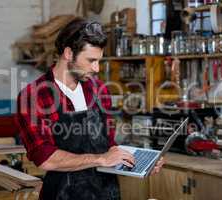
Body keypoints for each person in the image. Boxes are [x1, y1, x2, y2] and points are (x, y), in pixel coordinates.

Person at [16, 17, 165, 200]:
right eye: (91, 60)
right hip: (63, 194)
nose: (96, 68)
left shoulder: (99, 90)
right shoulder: (34, 96)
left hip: (106, 192)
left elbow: (108, 145)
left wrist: (137, 162)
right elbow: (45, 158)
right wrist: (100, 159)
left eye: (99, 61)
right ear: (69, 53)